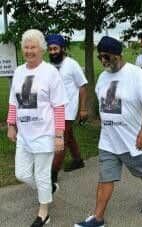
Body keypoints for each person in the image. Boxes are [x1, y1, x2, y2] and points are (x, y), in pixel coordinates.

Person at [75, 36, 142, 227]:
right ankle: (97, 218)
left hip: (132, 140)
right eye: (100, 57)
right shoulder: (103, 77)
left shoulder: (135, 74)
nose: (102, 60)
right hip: (108, 140)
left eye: (105, 56)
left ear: (117, 55)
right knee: (106, 177)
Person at [6, 29, 67, 226]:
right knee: (21, 174)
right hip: (24, 134)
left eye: (33, 47)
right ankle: (47, 189)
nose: (29, 50)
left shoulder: (50, 73)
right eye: (26, 47)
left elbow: (58, 107)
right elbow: (13, 102)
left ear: (42, 49)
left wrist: (59, 135)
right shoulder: (18, 71)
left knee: (41, 174)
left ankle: (44, 213)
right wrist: (11, 125)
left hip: (44, 134)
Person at [46, 34, 88, 185]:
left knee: (61, 139)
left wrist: (83, 109)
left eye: (55, 48)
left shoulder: (72, 64)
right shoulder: (48, 66)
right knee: (68, 136)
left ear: (62, 49)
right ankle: (78, 160)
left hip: (68, 109)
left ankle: (52, 173)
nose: (52, 52)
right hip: (53, 109)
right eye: (50, 49)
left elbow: (82, 86)